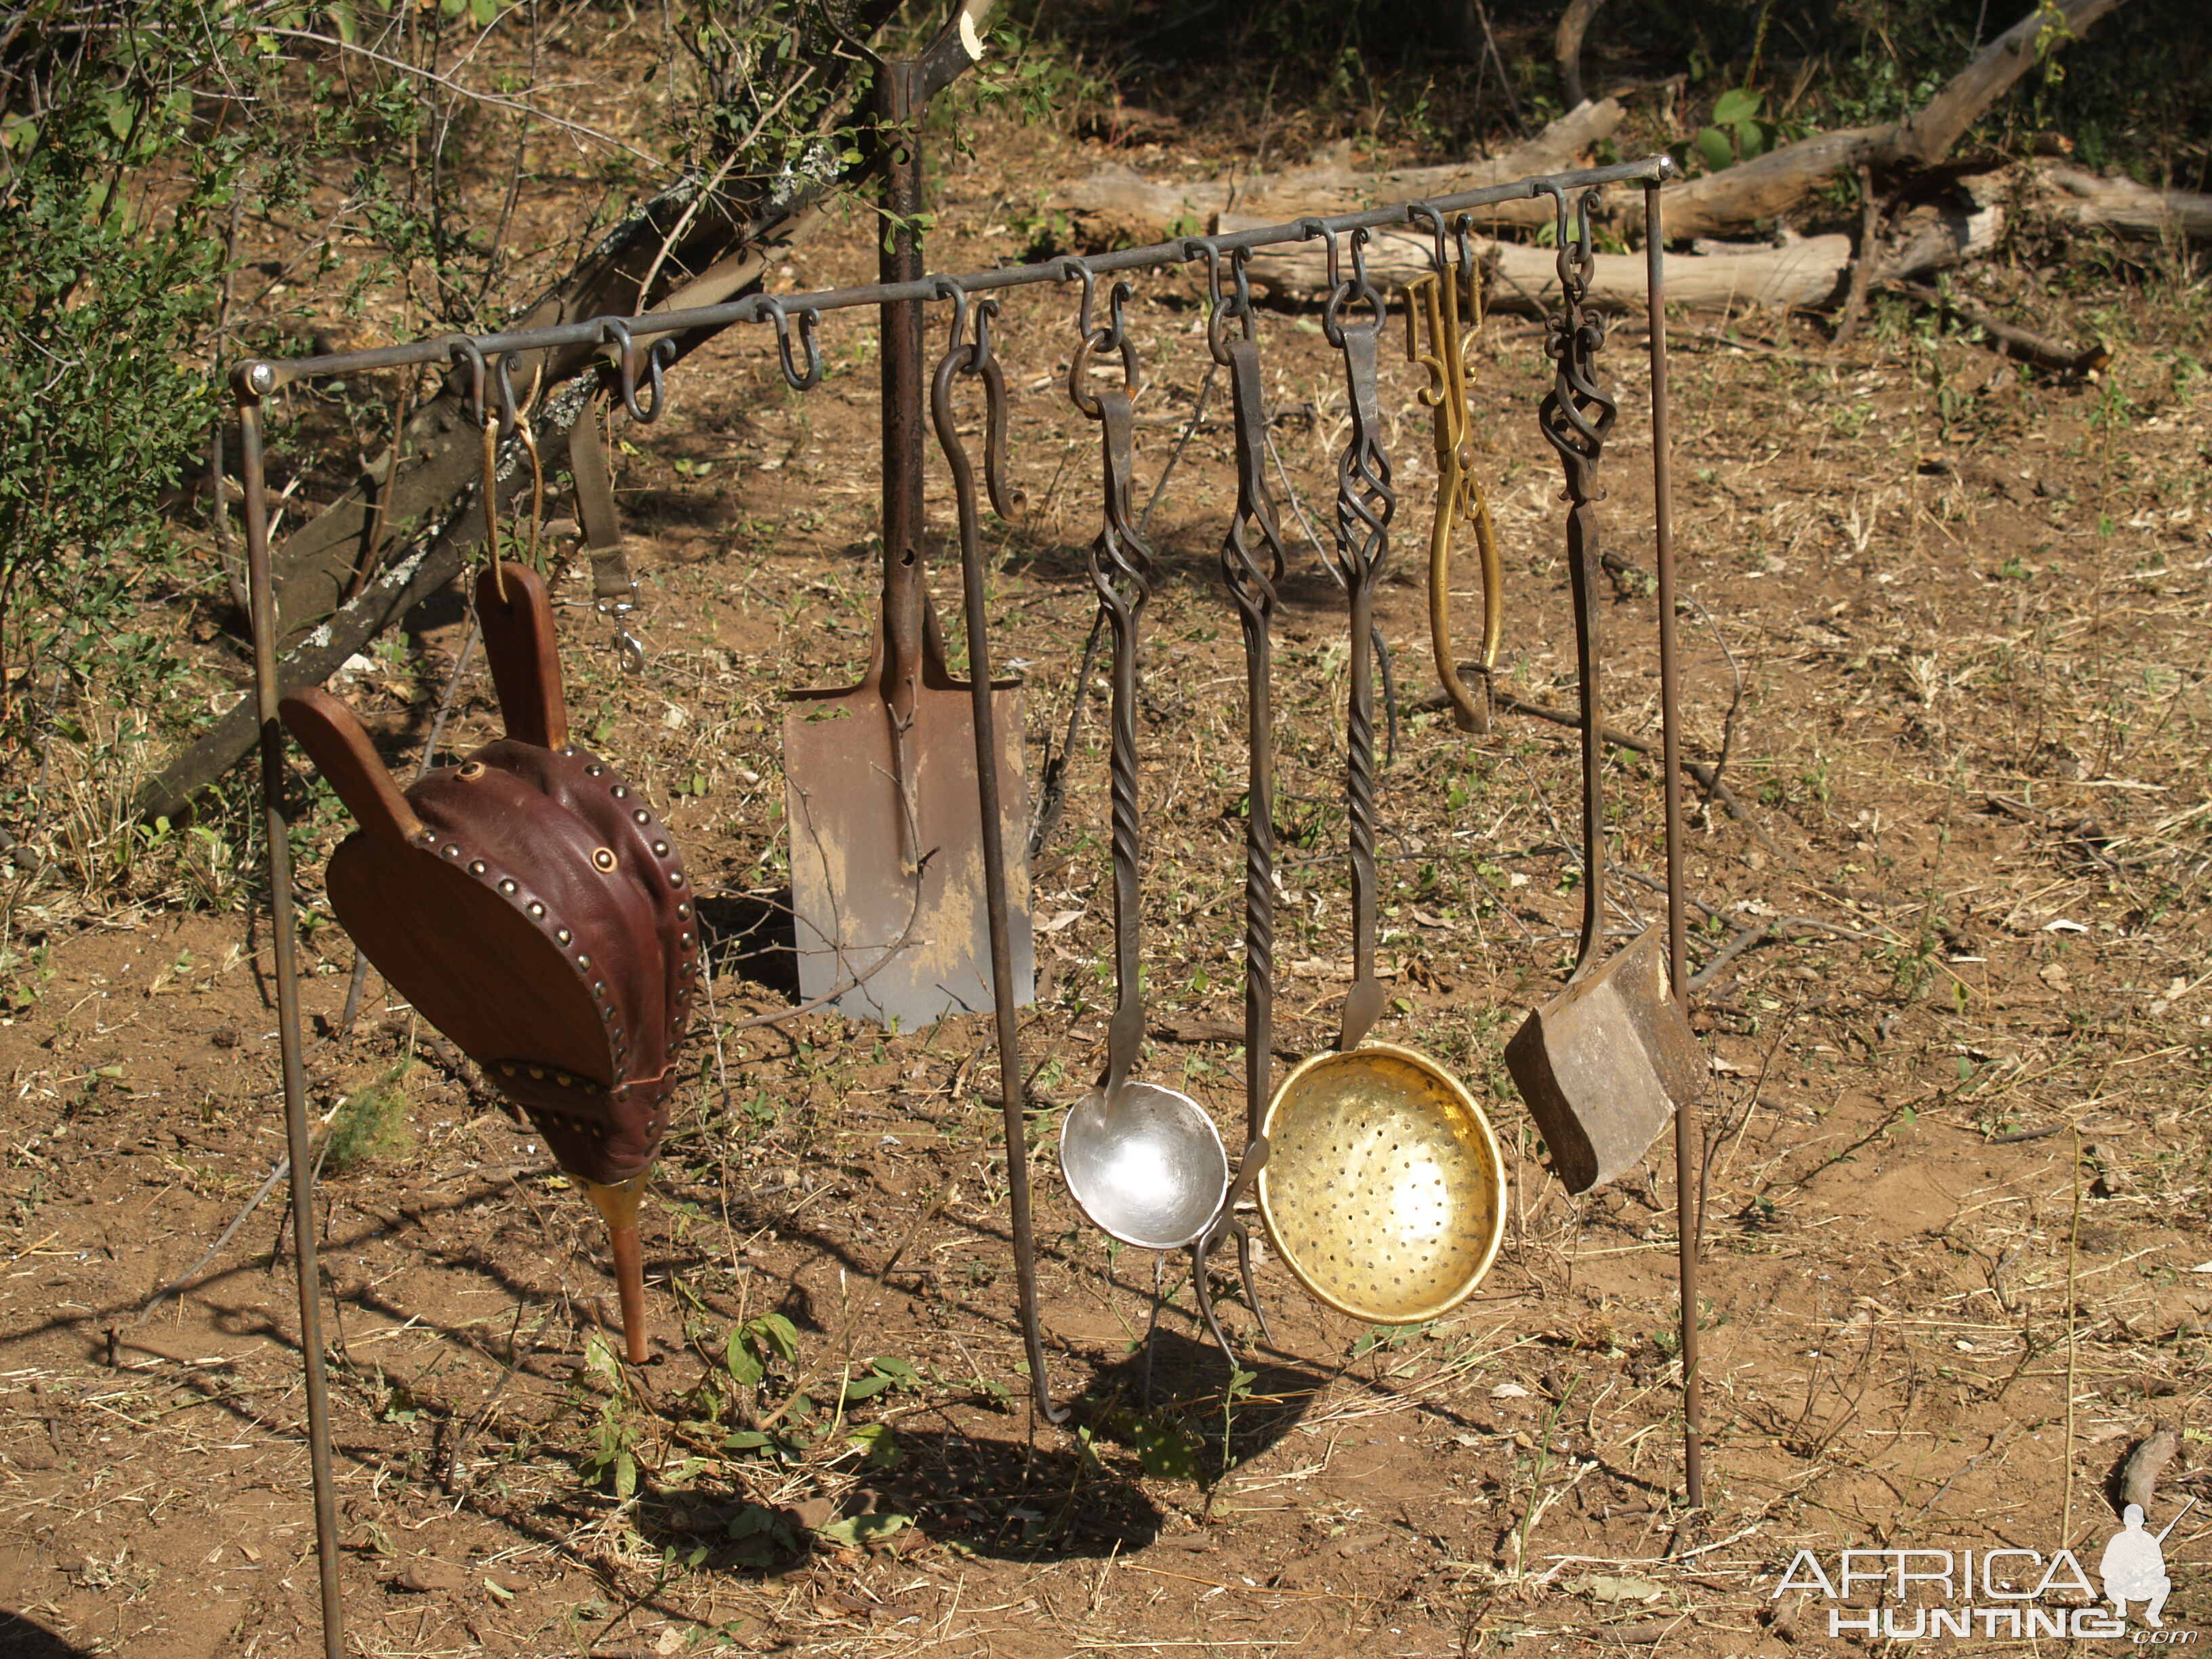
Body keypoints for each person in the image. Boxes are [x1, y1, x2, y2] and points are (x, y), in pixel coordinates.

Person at [2099, 1504, 2171, 1628]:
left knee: (2165, 1582)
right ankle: (2120, 1606)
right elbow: (2106, 1567)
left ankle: (2153, 1614)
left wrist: (2146, 1572)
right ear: (2125, 1520)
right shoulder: (2118, 1540)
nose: (2133, 1523)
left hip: (2145, 1586)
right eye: (2130, 1519)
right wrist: (2123, 1573)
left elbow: (2160, 1568)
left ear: (2142, 1521)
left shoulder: (2149, 1540)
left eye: (2136, 1519)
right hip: (2123, 1586)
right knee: (2109, 1582)